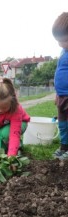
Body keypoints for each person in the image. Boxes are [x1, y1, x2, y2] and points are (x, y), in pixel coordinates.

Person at [52, 12, 68, 160]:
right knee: (62, 122)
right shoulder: (63, 52)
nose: (61, 44)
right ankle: (64, 146)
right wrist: (58, 92)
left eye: (64, 41)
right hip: (62, 96)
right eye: (58, 41)